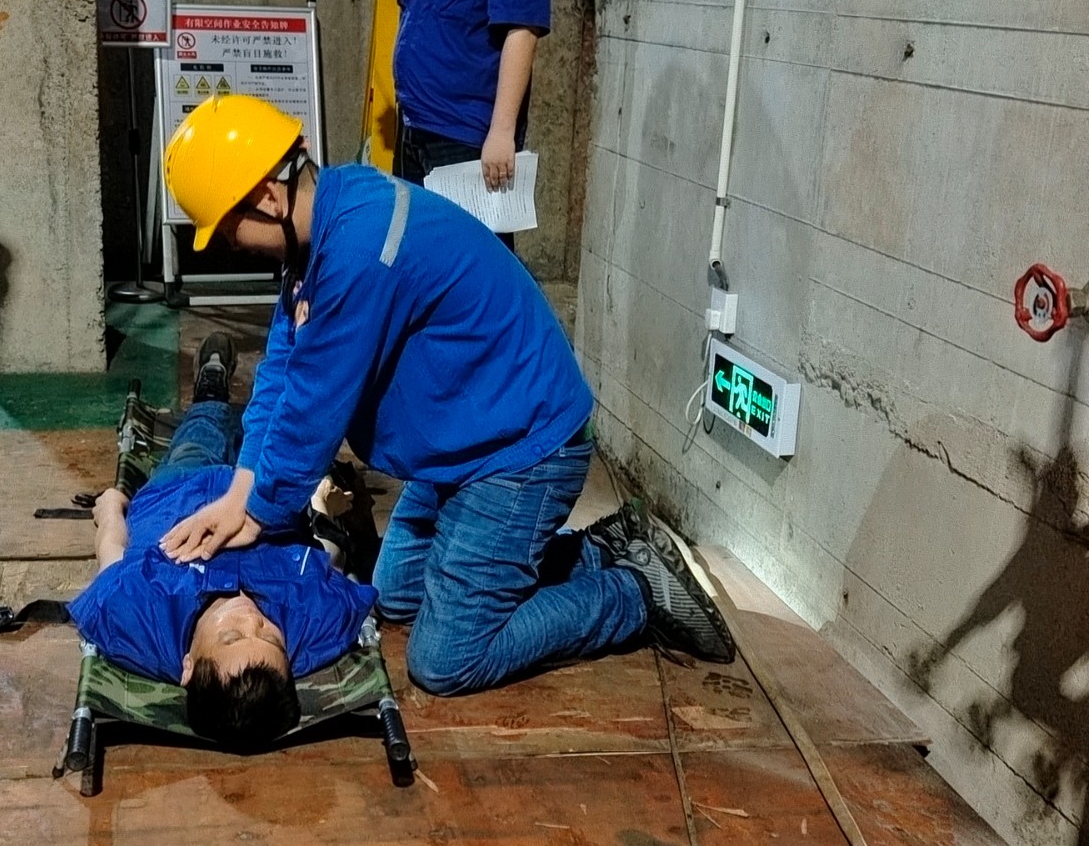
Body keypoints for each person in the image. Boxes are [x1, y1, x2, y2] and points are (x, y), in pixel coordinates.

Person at [159, 94, 733, 697]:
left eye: (230, 233)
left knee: (446, 660)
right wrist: (242, 491)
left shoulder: (357, 251)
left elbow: (311, 410)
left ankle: (635, 592)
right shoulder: (327, 222)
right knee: (396, 597)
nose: (235, 247)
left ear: (267, 199)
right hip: (465, 441)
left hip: (521, 453)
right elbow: (283, 365)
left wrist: (260, 514)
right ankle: (595, 551)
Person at [68, 333, 379, 749]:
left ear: (188, 667)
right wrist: (323, 511)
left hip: (183, 488)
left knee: (204, 429)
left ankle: (211, 386)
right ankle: (263, 389)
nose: (251, 620)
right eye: (270, 638)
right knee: (280, 430)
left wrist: (110, 509)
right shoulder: (316, 626)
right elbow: (329, 564)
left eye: (230, 637)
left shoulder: (136, 617)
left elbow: (112, 554)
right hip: (270, 498)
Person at [361, 0, 551, 250]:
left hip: (463, 137)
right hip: (414, 127)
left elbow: (523, 30)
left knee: (470, 256)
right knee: (419, 251)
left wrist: (502, 132)